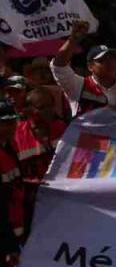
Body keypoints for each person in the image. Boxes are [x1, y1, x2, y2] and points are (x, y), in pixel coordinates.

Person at [0, 100, 62, 267]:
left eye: (11, 122)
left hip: (17, 228)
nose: (9, 127)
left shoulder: (8, 148)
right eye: (3, 123)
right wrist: (8, 245)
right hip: (6, 233)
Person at [12, 88, 66, 238]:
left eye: (51, 106)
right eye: (43, 107)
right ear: (29, 110)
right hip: (31, 201)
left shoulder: (62, 128)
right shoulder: (17, 135)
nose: (49, 111)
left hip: (60, 196)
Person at [51, 20, 116, 116]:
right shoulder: (77, 85)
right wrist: (73, 40)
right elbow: (58, 66)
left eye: (112, 59)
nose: (109, 63)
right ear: (90, 67)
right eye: (101, 61)